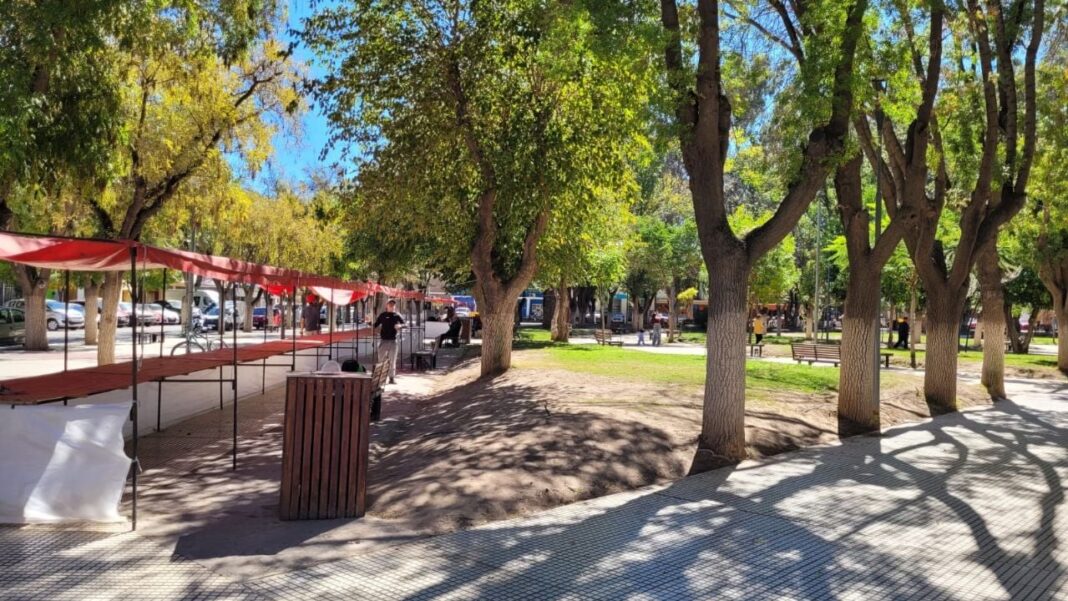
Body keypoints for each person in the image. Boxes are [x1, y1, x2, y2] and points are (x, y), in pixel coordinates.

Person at [373, 299, 405, 384]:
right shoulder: (383, 315)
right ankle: (379, 378)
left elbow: (405, 324)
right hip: (383, 341)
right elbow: (375, 325)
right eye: (390, 304)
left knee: (392, 360)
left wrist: (400, 326)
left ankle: (391, 378)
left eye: (393, 304)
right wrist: (369, 322)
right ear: (386, 305)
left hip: (393, 341)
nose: (392, 306)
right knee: (381, 360)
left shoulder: (397, 315)